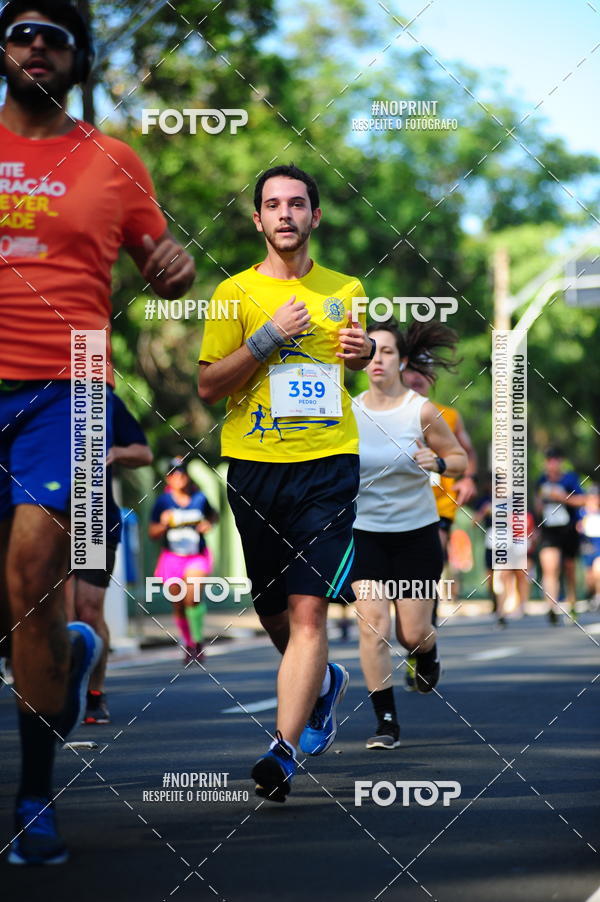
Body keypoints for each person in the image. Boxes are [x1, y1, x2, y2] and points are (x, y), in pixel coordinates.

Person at [0, 0, 194, 865]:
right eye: (20, 32)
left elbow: (165, 265)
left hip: (72, 386)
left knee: (36, 575)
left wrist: (174, 267)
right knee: (14, 604)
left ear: (79, 60)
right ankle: (66, 661)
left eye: (56, 37)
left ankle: (34, 797)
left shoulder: (114, 161)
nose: (36, 46)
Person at [198, 163, 373, 801]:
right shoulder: (232, 294)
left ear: (315, 216)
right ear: (258, 220)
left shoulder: (346, 287)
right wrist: (268, 338)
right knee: (272, 611)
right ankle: (323, 685)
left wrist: (360, 356)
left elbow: (346, 370)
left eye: (297, 203)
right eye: (273, 204)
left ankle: (282, 750)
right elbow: (209, 384)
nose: (286, 214)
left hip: (327, 466)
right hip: (254, 467)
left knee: (308, 613)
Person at [350, 320, 467, 749]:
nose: (377, 359)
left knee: (411, 634)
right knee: (372, 625)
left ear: (402, 361)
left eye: (386, 352)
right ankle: (386, 722)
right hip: (365, 535)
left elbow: (458, 460)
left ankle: (428, 652)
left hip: (416, 535)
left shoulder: (421, 410)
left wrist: (436, 463)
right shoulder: (347, 412)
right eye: (370, 351)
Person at [65, 394, 153, 724]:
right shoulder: (35, 394)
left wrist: (115, 451)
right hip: (49, 518)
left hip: (94, 519)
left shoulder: (103, 400)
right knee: (61, 611)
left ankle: (95, 694)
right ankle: (60, 689)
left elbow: (144, 453)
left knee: (88, 610)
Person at [149, 458, 218, 663]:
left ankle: (198, 642)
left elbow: (214, 515)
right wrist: (164, 525)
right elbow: (152, 533)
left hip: (196, 556)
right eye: (173, 474)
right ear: (167, 478)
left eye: (181, 473)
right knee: (179, 603)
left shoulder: (199, 498)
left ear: (187, 476)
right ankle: (188, 643)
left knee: (193, 596)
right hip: (172, 558)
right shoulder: (163, 502)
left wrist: (207, 524)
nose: (177, 477)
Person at [535, 447, 586, 624]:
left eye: (556, 460)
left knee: (569, 568)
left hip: (569, 529)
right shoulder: (541, 480)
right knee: (550, 568)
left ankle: (572, 603)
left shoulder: (571, 479)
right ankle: (552, 607)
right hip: (549, 530)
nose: (552, 464)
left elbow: (582, 500)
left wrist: (562, 497)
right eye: (549, 460)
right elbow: (537, 505)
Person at [579, 485, 600, 611]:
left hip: (599, 547)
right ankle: (590, 595)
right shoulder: (582, 513)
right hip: (587, 548)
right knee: (590, 577)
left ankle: (598, 597)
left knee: (598, 570)